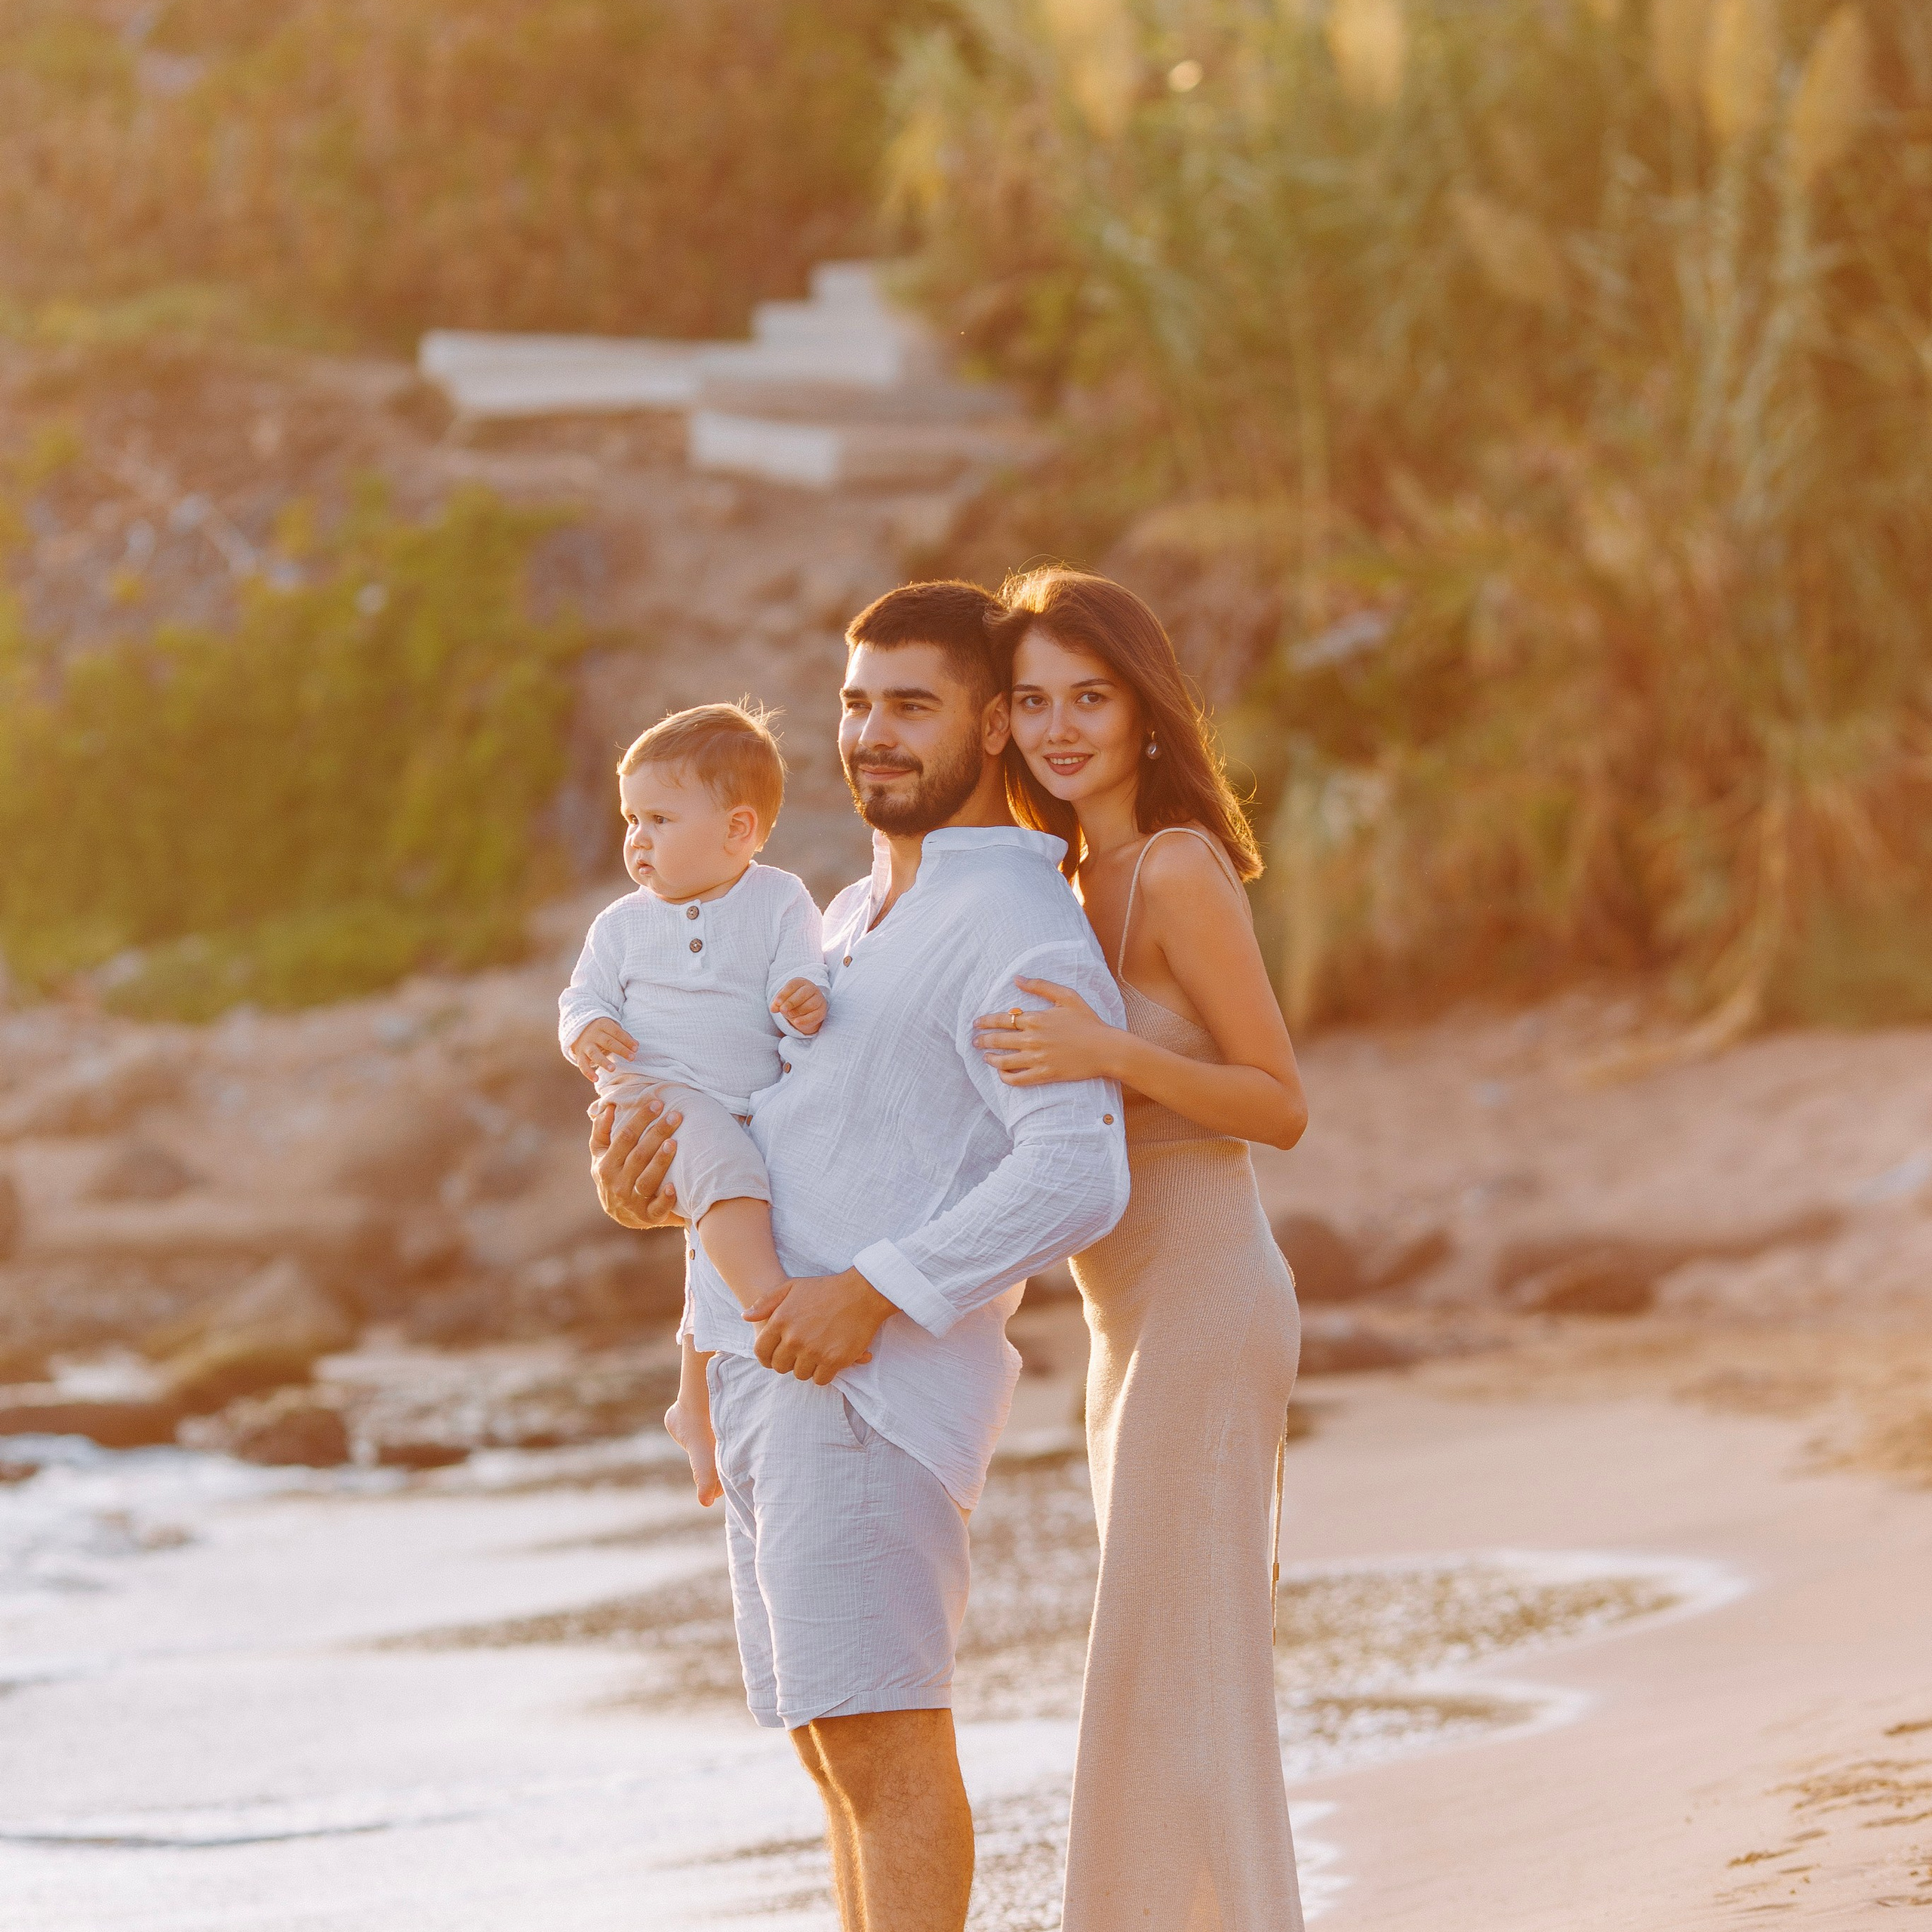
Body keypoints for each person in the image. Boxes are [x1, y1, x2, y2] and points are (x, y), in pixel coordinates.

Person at [589, 581, 1130, 1932]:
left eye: (913, 705)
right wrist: (650, 1202)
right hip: (769, 1379)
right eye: (857, 701)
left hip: (868, 1400)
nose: (874, 733)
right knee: (833, 1761)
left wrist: (873, 1294)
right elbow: (774, 1152)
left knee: (885, 1759)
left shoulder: (1012, 924)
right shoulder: (833, 924)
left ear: (993, 725)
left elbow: (1077, 1166)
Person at [973, 568, 1311, 1932]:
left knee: (1159, 1661)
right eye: (1037, 702)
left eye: (1090, 699)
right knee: (1176, 1660)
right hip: (1122, 1325)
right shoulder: (1052, 879)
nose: (1063, 729)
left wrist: (1110, 1051)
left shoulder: (1175, 867)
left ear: (1142, 708)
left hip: (1211, 1291)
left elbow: (1279, 1104)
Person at [558, 702, 830, 1506]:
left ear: (738, 829)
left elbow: (801, 971)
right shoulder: (619, 925)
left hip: (744, 1101)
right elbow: (580, 997)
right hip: (656, 1091)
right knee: (724, 1181)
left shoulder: (780, 900)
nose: (636, 837)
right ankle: (770, 1309)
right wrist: (590, 1028)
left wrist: (802, 997)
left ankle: (693, 1405)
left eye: (659, 818)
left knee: (705, 1245)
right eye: (629, 818)